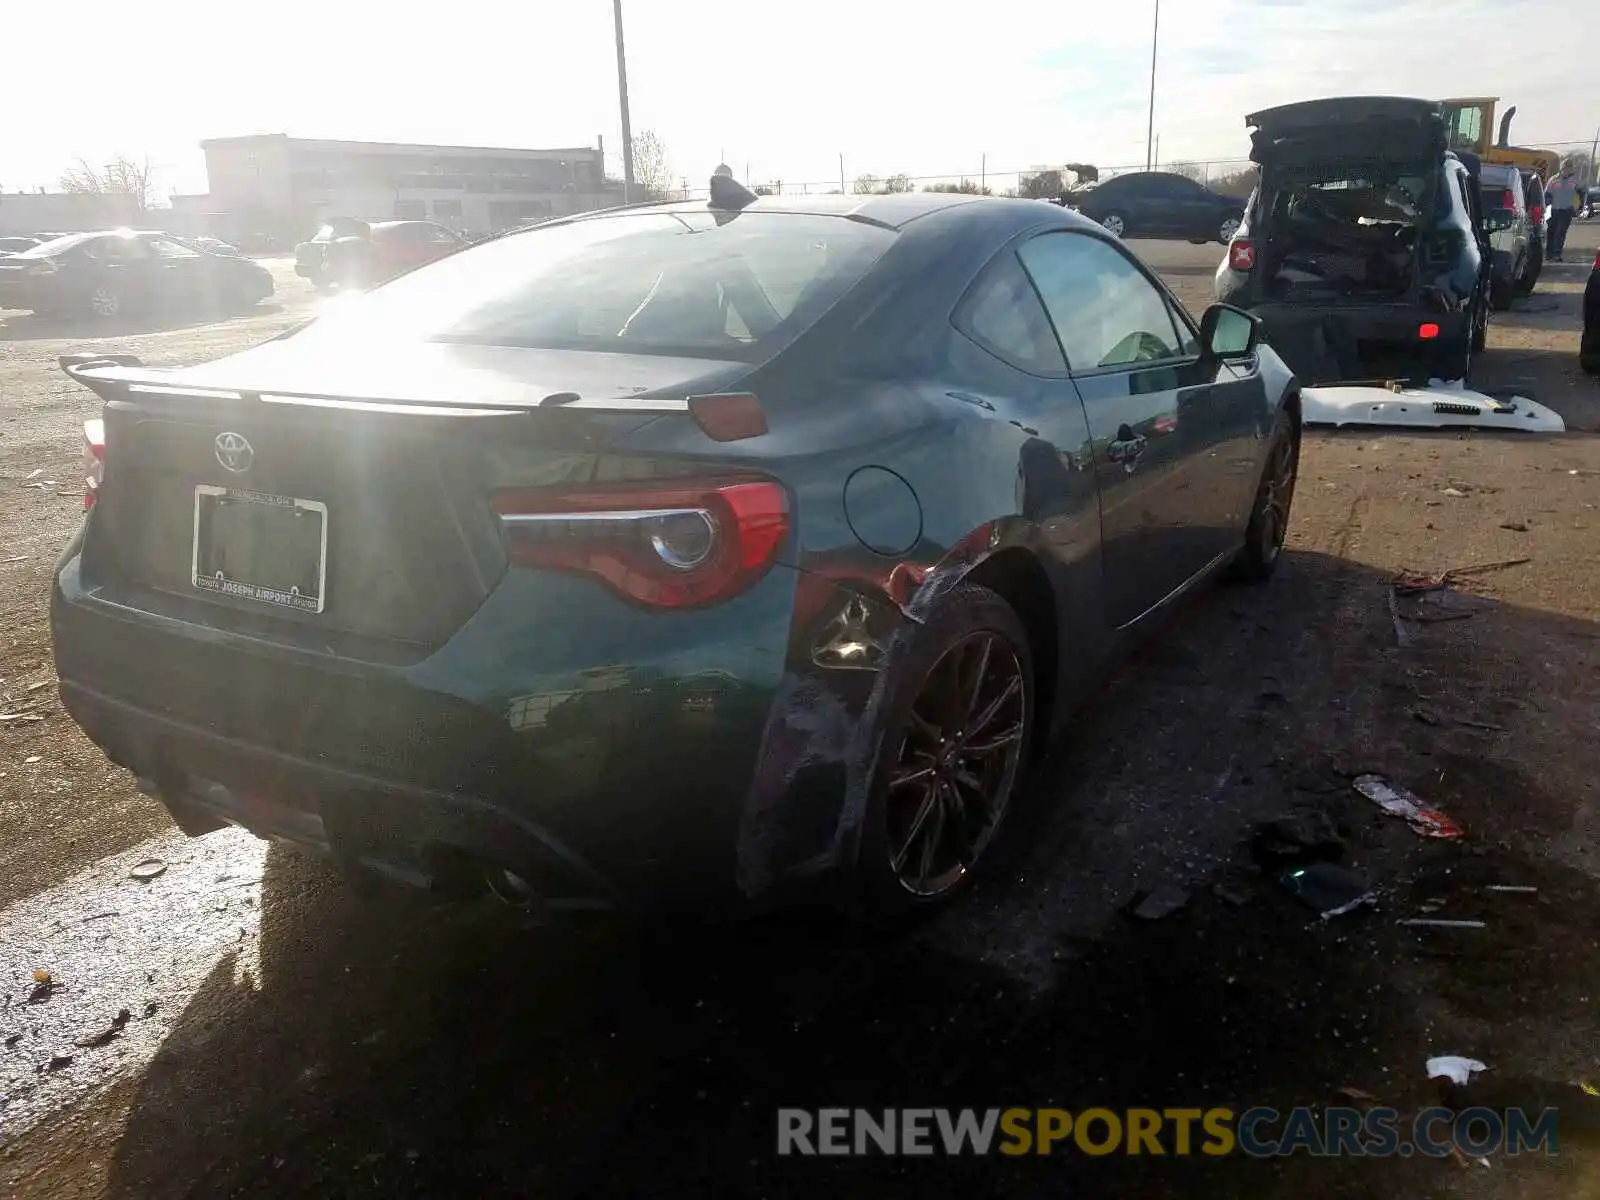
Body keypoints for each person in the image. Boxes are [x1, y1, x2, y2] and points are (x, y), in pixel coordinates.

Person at [1546, 168, 1578, 260]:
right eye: (1566, 168)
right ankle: (1549, 254)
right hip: (1553, 210)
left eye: (1569, 168)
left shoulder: (1574, 180)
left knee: (1560, 233)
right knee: (1551, 232)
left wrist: (1577, 206)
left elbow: (1581, 193)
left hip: (1566, 210)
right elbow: (1547, 194)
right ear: (1561, 169)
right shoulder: (1553, 179)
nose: (1567, 171)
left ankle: (1557, 254)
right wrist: (1547, 205)